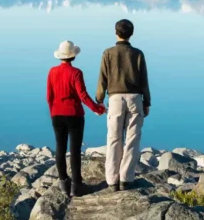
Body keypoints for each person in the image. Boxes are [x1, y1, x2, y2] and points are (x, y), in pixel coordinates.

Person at [96, 19, 151, 191]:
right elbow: (144, 81)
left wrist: (99, 99)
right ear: (131, 33)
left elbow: (103, 79)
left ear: (115, 32)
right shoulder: (138, 54)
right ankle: (126, 178)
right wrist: (147, 102)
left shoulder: (108, 53)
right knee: (133, 139)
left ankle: (112, 180)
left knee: (114, 138)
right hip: (135, 98)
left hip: (115, 99)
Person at [47, 40, 107, 198]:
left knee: (60, 148)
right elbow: (83, 96)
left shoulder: (52, 72)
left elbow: (49, 97)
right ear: (73, 56)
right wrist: (97, 108)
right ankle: (76, 186)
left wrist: (53, 111)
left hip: (57, 115)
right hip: (74, 115)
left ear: (60, 56)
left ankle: (63, 183)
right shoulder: (76, 73)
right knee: (74, 150)